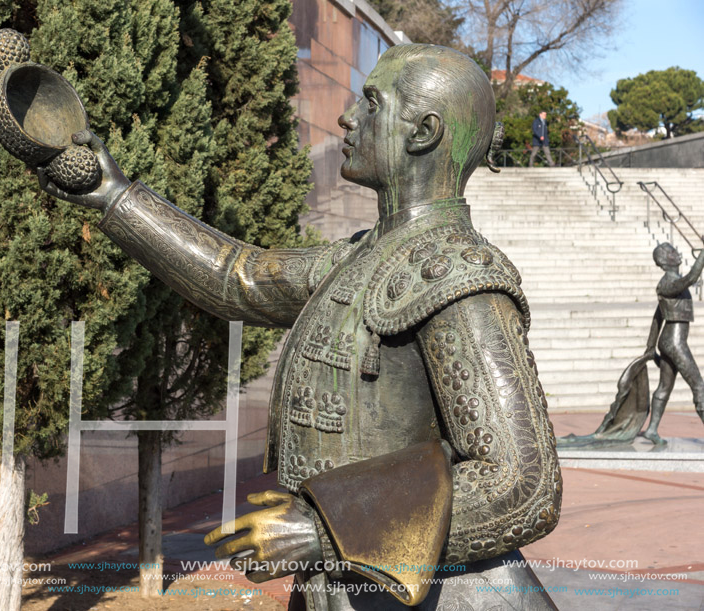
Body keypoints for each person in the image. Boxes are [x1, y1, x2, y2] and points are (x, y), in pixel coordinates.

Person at [37, 44, 561, 610]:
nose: (346, 118)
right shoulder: (359, 256)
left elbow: (521, 486)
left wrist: (328, 532)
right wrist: (117, 197)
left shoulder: (459, 276)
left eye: (371, 103)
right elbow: (238, 276)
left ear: (423, 133)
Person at [641, 243, 704, 443]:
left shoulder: (671, 283)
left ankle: (651, 429)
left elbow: (658, 316)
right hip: (675, 343)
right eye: (670, 252)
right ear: (662, 261)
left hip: (670, 341)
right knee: (699, 387)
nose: (676, 253)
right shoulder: (668, 284)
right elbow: (692, 277)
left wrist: (651, 347)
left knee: (664, 388)